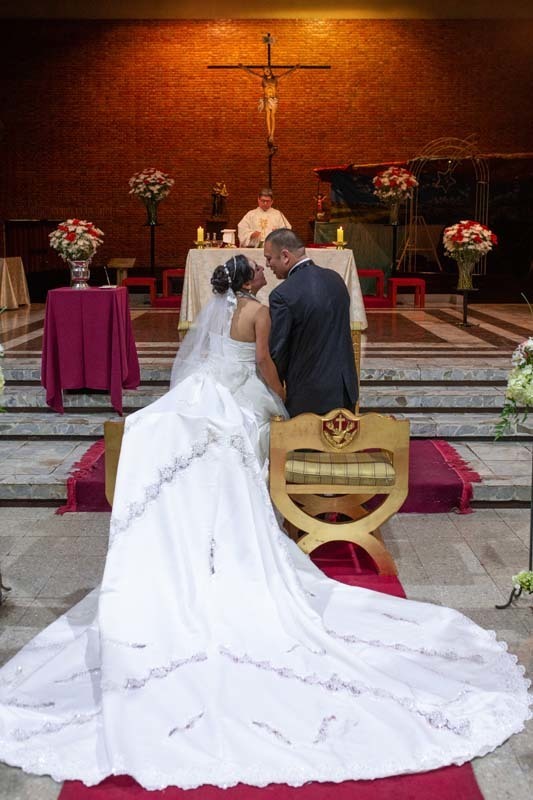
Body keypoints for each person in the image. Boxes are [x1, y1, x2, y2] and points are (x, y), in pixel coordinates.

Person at [0, 255, 530, 789]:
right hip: (240, 395)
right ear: (247, 280)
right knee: (255, 435)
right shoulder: (259, 311)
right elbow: (261, 362)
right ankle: (238, 535)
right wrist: (282, 398)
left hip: (207, 390)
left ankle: (199, 539)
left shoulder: (214, 307)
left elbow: (206, 357)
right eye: (256, 268)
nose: (263, 271)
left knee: (207, 459)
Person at [265, 228, 359, 417]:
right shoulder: (335, 279)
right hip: (344, 388)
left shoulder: (282, 295)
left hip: (308, 395)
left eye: (269, 258)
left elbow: (278, 350)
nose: (267, 265)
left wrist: (275, 389)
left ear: (285, 256)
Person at [239, 64, 299, 144]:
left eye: (267, 69)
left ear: (270, 70)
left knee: (272, 116)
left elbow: (286, 75)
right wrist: (243, 68)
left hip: (273, 99)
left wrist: (294, 68)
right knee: (267, 115)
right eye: (264, 70)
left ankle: (272, 135)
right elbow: (252, 74)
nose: (266, 71)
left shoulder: (276, 79)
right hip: (267, 99)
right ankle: (269, 134)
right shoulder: (263, 80)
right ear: (264, 72)